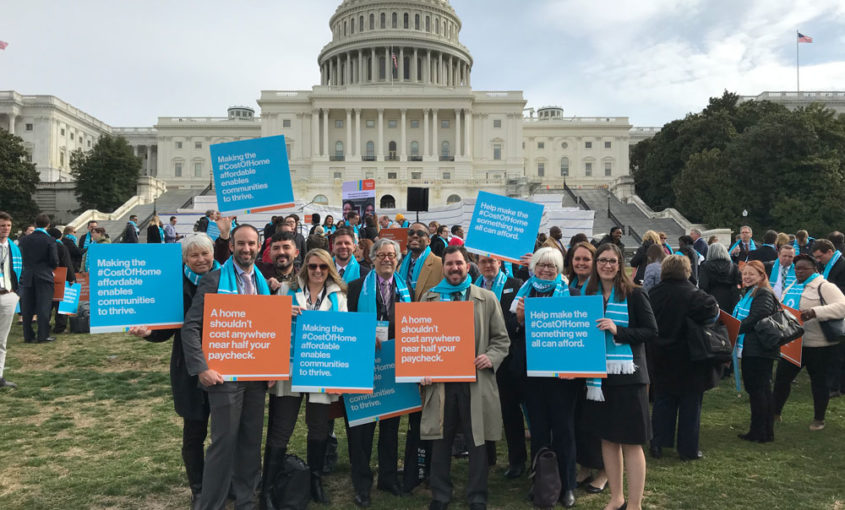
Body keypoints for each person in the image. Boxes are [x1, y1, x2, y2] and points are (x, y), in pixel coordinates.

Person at [181, 224, 272, 510]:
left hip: (256, 376)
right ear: (231, 246)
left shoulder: (263, 282)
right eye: (241, 243)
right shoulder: (214, 280)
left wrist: (273, 368)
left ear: (258, 247)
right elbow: (191, 327)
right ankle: (211, 503)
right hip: (223, 376)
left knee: (250, 440)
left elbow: (268, 326)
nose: (247, 249)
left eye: (252, 244)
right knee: (223, 442)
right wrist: (202, 368)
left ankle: (246, 500)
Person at [129, 234, 221, 508]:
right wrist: (148, 333)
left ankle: (223, 482)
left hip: (225, 366)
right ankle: (200, 488)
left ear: (213, 253)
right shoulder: (173, 286)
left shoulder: (227, 280)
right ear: (185, 259)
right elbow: (165, 330)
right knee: (194, 433)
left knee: (225, 432)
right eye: (194, 255)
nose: (201, 259)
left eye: (205, 253)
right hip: (188, 371)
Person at [420, 245, 509, 510]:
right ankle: (440, 494)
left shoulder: (486, 298)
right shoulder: (429, 298)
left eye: (459, 263)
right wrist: (420, 369)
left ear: (467, 265)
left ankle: (477, 495)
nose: (454, 268)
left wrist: (490, 358)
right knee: (440, 439)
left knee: (477, 440)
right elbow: (421, 340)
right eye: (449, 264)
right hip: (442, 384)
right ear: (443, 267)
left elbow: (501, 340)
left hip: (475, 380)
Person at [265, 248, 347, 506]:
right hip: (288, 369)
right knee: (281, 428)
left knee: (319, 428)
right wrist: (280, 314)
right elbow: (269, 325)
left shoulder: (338, 296)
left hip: (321, 370)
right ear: (305, 268)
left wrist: (343, 376)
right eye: (313, 267)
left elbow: (343, 334)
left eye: (323, 267)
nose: (318, 272)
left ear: (329, 269)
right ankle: (267, 488)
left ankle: (315, 480)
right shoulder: (286, 289)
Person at [583, 243, 657, 510]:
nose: (607, 265)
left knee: (631, 441)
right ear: (596, 264)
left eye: (612, 261)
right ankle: (617, 498)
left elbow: (651, 331)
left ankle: (635, 504)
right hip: (599, 379)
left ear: (620, 264)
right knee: (608, 439)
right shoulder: (587, 295)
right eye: (602, 260)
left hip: (629, 376)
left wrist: (618, 330)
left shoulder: (635, 294)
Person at [344, 238, 410, 506]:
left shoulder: (407, 290)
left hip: (393, 366)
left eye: (391, 255)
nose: (387, 259)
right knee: (362, 428)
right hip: (364, 365)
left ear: (398, 259)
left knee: (391, 426)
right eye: (381, 254)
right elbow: (347, 326)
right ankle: (361, 483)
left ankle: (388, 477)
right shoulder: (355, 288)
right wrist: (363, 336)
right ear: (372, 258)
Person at [512, 247, 578, 508]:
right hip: (531, 375)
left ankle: (568, 484)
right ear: (534, 267)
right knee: (539, 430)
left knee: (564, 430)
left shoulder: (571, 294)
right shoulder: (522, 293)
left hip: (562, 377)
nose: (547, 270)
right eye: (542, 265)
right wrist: (519, 320)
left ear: (559, 269)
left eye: (552, 266)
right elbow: (508, 331)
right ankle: (541, 481)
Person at [648, 255, 720, 461]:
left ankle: (658, 444)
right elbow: (713, 313)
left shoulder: (653, 294)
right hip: (690, 357)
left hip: (661, 355)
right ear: (687, 271)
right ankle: (688, 450)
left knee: (663, 401)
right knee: (690, 404)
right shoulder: (696, 295)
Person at [774, 254, 845, 431]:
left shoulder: (824, 286)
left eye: (803, 268)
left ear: (814, 269)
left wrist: (815, 312)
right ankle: (775, 412)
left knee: (819, 383)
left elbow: (842, 306)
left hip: (819, 345)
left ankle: (818, 419)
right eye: (796, 268)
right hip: (793, 343)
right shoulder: (792, 286)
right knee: (782, 379)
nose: (799, 271)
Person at [398, 222, 442, 494]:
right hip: (406, 342)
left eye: (420, 234)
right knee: (413, 411)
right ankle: (414, 468)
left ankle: (431, 470)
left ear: (429, 239)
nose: (414, 237)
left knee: (431, 410)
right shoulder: (402, 263)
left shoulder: (438, 263)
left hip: (429, 339)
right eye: (411, 233)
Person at [474, 254, 524, 479]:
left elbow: (518, 322)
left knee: (510, 411)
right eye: (483, 262)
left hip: (507, 358)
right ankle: (488, 456)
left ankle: (517, 460)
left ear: (500, 263)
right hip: (478, 359)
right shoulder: (472, 287)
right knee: (481, 409)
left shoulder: (515, 286)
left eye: (491, 261)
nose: (487, 265)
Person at [565, 242, 608, 494]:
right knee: (579, 419)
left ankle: (604, 470)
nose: (580, 263)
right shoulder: (569, 287)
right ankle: (585, 466)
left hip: (596, 363)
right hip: (574, 362)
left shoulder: (602, 289)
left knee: (597, 420)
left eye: (586, 259)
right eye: (577, 259)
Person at [732, 260, 779, 443]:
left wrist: (735, 328)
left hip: (760, 349)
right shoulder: (751, 293)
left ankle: (760, 431)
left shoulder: (763, 293)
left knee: (759, 390)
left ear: (761, 275)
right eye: (745, 273)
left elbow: (758, 317)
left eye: (752, 273)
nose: (747, 276)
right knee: (759, 390)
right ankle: (762, 430)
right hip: (753, 347)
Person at [18, 213, 59, 344]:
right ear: (48, 225)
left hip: (28, 274)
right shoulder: (50, 240)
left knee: (27, 307)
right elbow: (54, 260)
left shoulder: (24, 240)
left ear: (35, 224)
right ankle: (43, 335)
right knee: (43, 307)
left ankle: (28, 335)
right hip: (44, 276)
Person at [0, 211, 21, 388]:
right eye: (2, 226)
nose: (5, 229)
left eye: (8, 226)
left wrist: (17, 293)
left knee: (2, 340)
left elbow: (20, 271)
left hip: (8, 295)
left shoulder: (13, 247)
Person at [698, 243, 742, 312]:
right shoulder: (734, 266)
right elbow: (738, 284)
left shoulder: (705, 266)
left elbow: (703, 285)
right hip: (730, 298)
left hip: (712, 298)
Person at [48, 227, 75, 335]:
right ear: (60, 236)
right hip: (61, 277)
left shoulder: (45, 245)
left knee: (48, 304)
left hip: (46, 277)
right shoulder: (60, 245)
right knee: (61, 304)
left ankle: (45, 324)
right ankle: (60, 327)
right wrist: (71, 277)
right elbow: (66, 262)